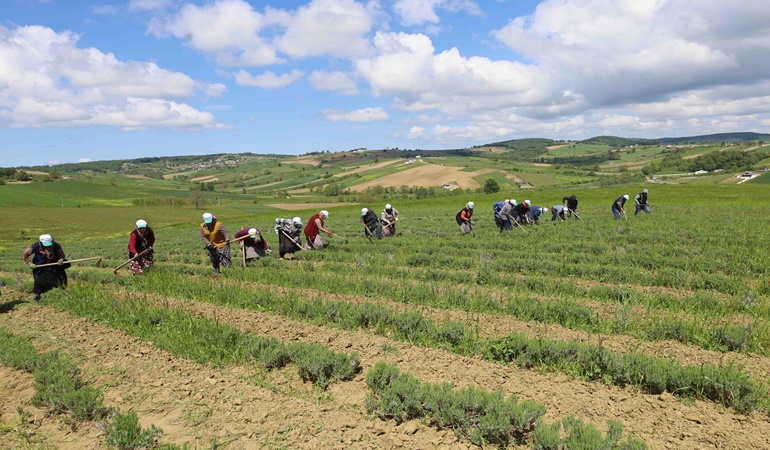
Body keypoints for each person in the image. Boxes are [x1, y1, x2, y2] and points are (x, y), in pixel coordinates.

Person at [22, 234, 68, 300]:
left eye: (49, 244)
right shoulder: (35, 246)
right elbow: (25, 254)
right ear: (40, 242)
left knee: (61, 277)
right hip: (39, 265)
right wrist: (29, 263)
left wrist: (61, 259)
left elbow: (61, 254)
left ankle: (62, 292)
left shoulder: (56, 245)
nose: (48, 246)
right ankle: (37, 295)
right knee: (39, 280)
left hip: (53, 264)